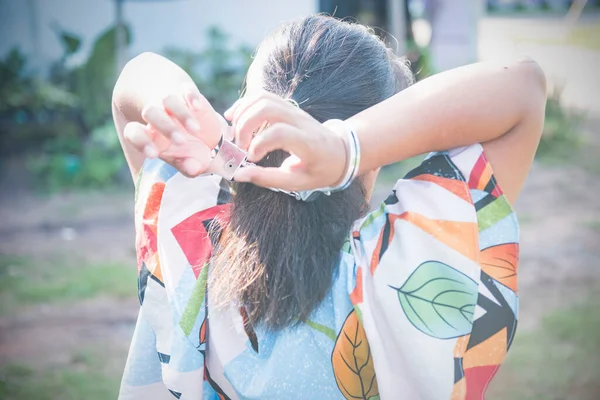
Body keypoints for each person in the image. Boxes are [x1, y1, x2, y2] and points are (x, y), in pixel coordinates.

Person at [112, 15, 545, 400]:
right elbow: (524, 86)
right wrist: (347, 147)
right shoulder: (399, 269)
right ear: (376, 159)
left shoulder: (188, 239)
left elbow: (134, 80)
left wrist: (199, 120)